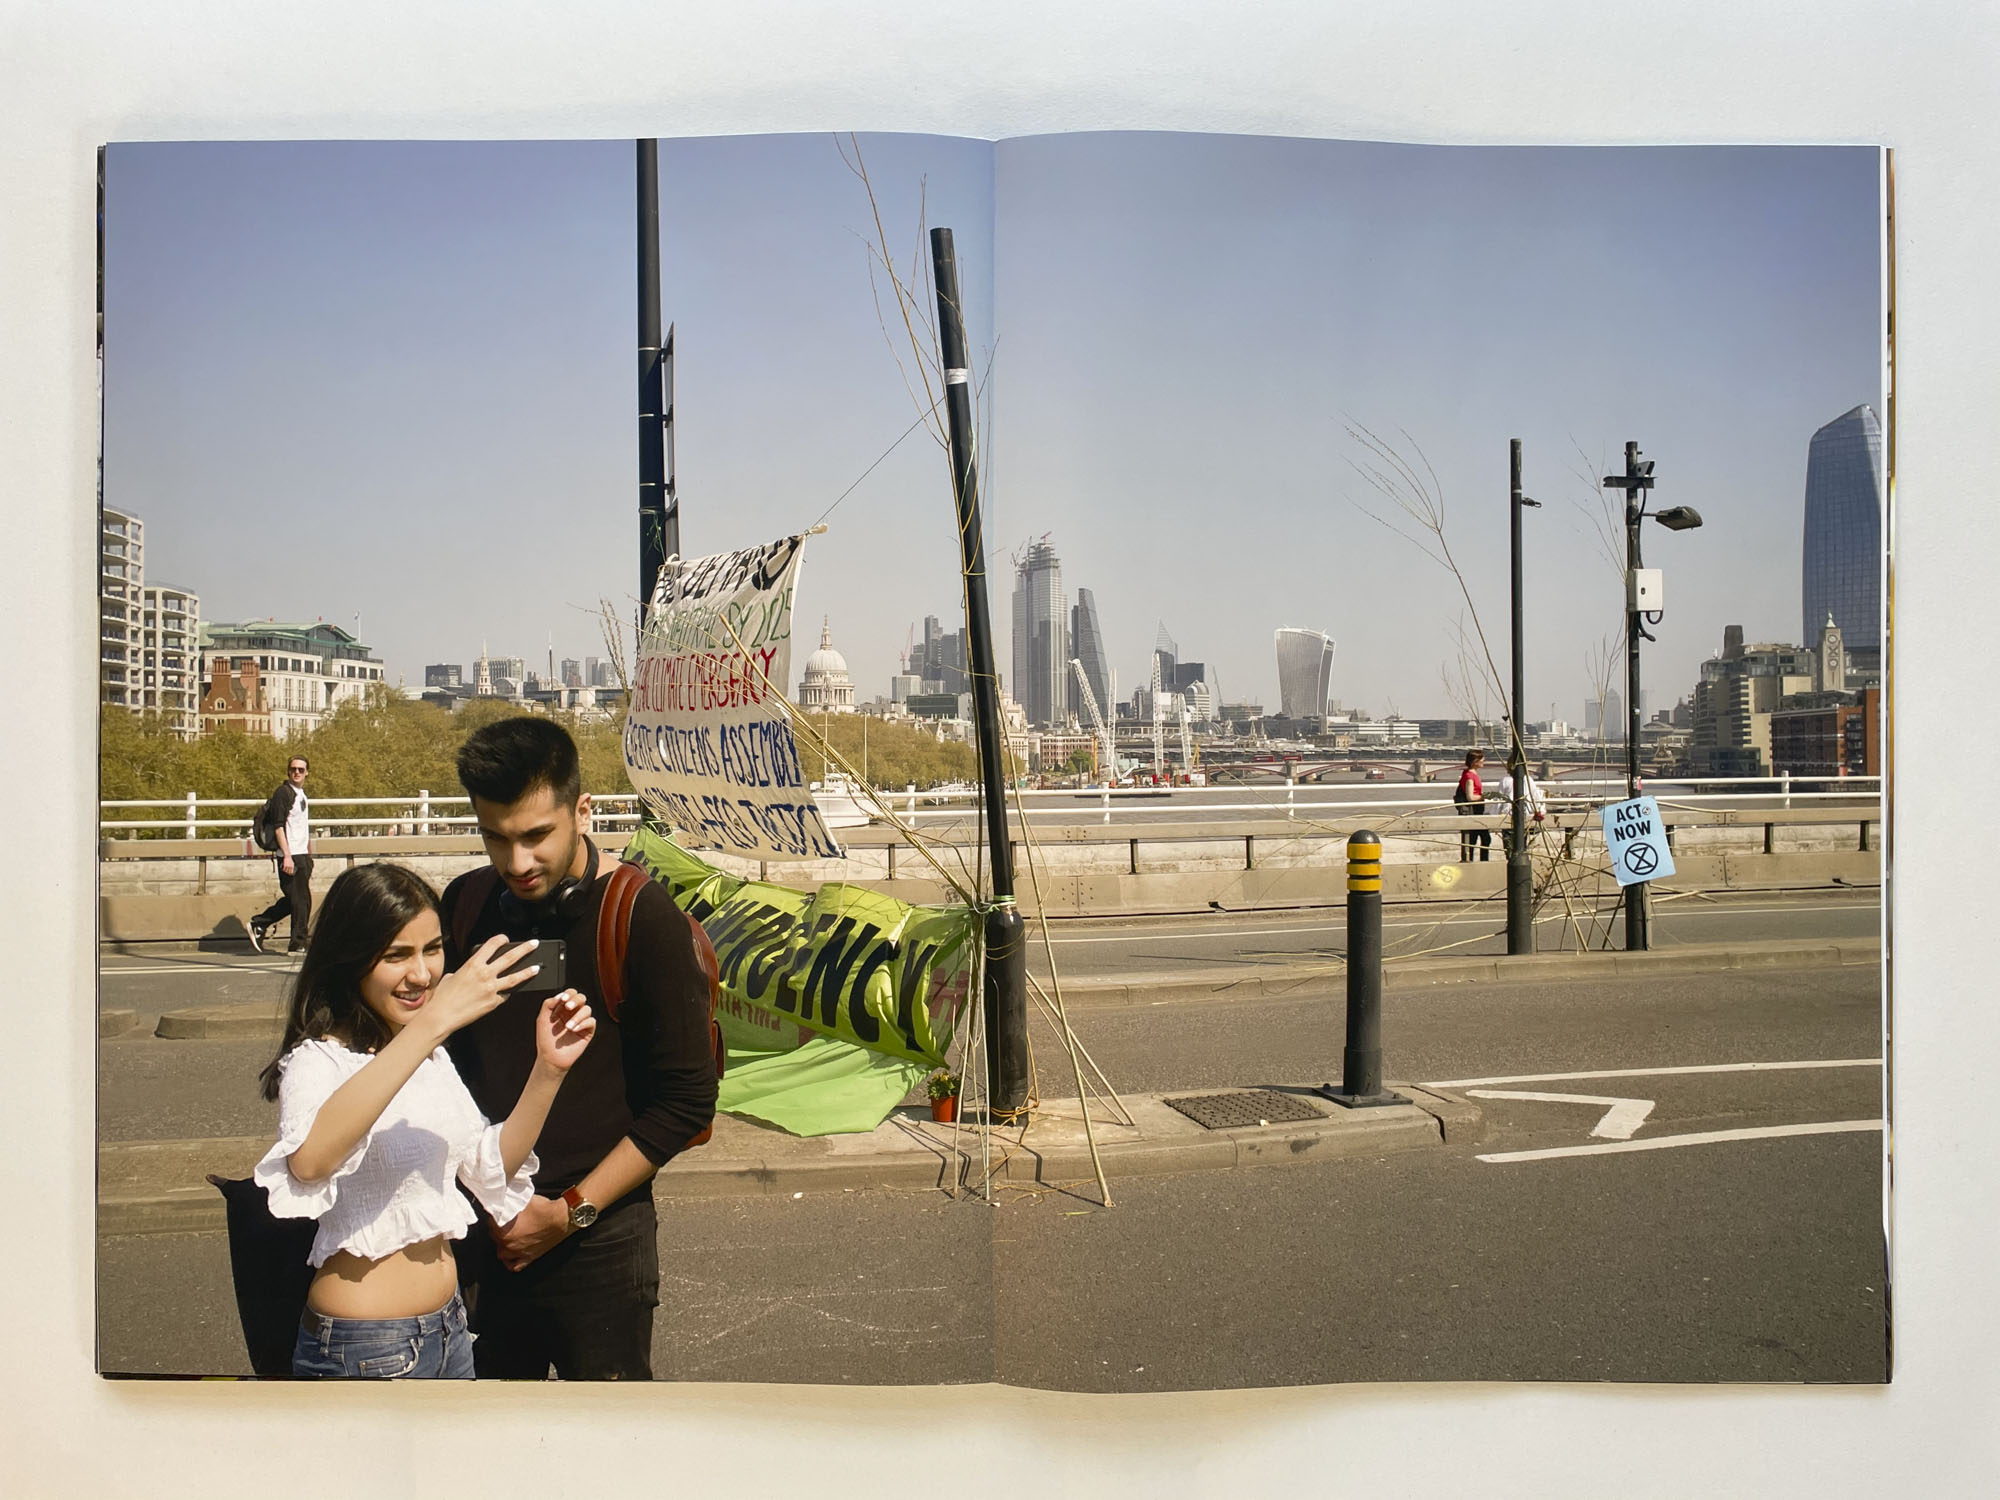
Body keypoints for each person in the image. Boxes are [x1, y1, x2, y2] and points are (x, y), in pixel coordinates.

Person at [441, 716, 717, 1380]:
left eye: (537, 836)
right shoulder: (464, 906)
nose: (518, 863)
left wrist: (568, 1215)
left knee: (613, 1455)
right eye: (496, 839)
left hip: (597, 1242)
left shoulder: (638, 915)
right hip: (480, 1237)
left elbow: (685, 1104)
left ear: (583, 811)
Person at [252, 861, 596, 1378]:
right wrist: (435, 1022)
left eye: (432, 949)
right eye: (396, 955)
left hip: (450, 1329)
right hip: (362, 1348)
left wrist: (549, 1069)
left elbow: (489, 1167)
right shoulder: (318, 1060)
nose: (421, 974)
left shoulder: (428, 1055)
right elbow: (310, 1162)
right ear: (351, 958)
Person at [249, 755, 313, 953]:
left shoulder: (301, 795)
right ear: (288, 771)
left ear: (307, 773)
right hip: (289, 854)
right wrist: (286, 855)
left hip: (302, 854)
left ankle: (259, 924)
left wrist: (307, 857)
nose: (297, 772)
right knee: (300, 901)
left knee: (299, 900)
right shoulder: (283, 793)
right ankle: (297, 944)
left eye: (301, 770)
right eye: (293, 769)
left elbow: (299, 827)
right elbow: (278, 827)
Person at [1496, 760, 1549, 856]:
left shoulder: (1505, 780)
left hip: (1508, 816)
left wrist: (1495, 816)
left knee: (1509, 846)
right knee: (1522, 844)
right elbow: (1535, 797)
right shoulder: (1529, 780)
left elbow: (1499, 801)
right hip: (1524, 815)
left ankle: (1512, 859)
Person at [1453, 749, 1491, 862]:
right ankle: (1481, 862)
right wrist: (1485, 797)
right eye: (1482, 759)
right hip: (1473, 811)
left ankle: (1472, 861)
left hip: (1477, 811)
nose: (1484, 761)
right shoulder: (1470, 776)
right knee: (1482, 838)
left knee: (1476, 839)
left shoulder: (1469, 773)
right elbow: (1470, 797)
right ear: (1475, 761)